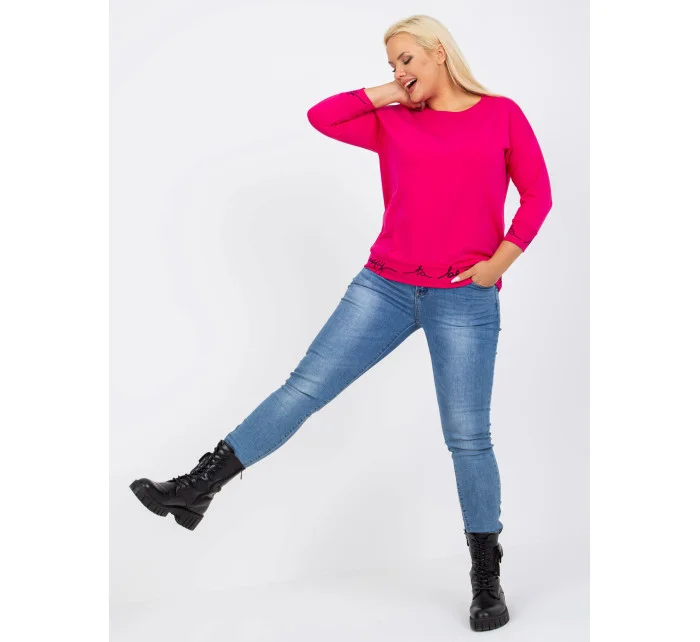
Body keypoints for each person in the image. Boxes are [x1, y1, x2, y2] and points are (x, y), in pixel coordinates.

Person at [129, 13, 552, 633]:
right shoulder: (394, 119)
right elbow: (322, 116)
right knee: (302, 390)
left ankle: (485, 578)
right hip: (384, 286)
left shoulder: (501, 114)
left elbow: (538, 195)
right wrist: (390, 91)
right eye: (392, 63)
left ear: (439, 52)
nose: (399, 71)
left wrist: (499, 263)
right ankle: (197, 488)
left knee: (467, 437)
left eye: (407, 59)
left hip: (464, 296)